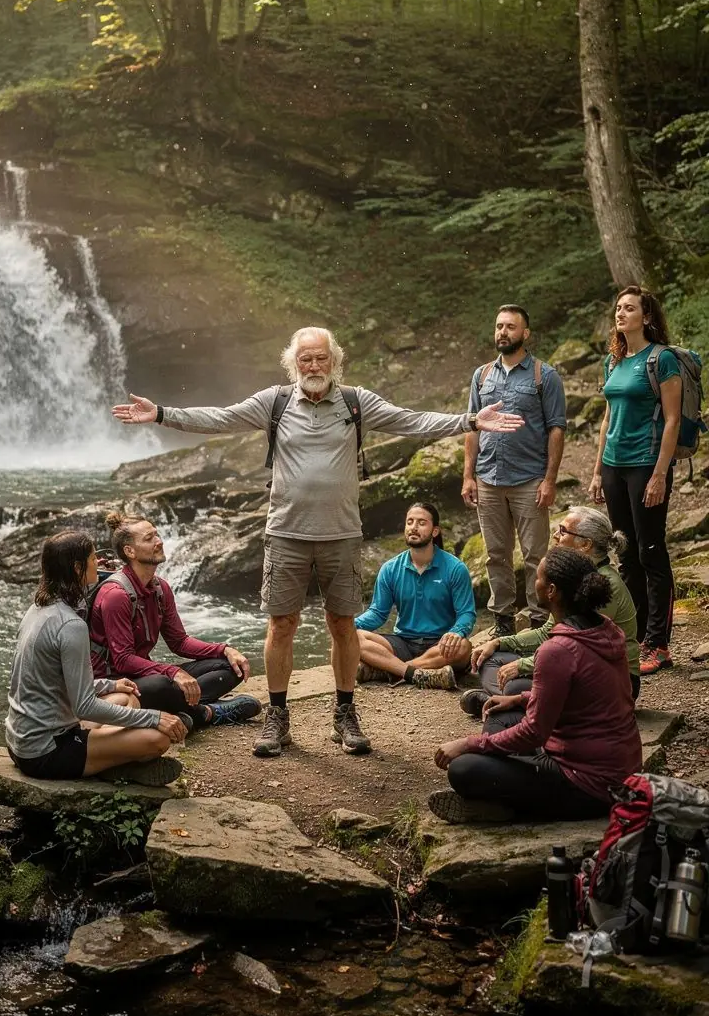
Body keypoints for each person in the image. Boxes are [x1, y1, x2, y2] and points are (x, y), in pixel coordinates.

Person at [112, 325, 523, 760]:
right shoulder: (274, 402)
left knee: (343, 625)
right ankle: (277, 715)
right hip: (286, 533)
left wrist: (471, 420)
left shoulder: (355, 402)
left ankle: (344, 713)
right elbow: (219, 418)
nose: (313, 365)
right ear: (293, 363)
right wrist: (160, 413)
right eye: (305, 358)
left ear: (334, 361)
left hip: (341, 535)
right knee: (281, 626)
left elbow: (410, 420)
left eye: (320, 358)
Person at [430, 549, 642, 824]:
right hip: (617, 771)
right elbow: (586, 696)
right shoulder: (606, 629)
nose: (534, 583)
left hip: (590, 787)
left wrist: (470, 743)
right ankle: (506, 794)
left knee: (463, 768)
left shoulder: (558, 650)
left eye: (538, 578)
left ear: (552, 590)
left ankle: (502, 808)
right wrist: (520, 698)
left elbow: (534, 733)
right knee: (499, 711)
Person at [6, 530, 187, 785]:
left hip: (21, 740)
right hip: (45, 751)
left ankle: (103, 758)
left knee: (125, 697)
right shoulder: (70, 625)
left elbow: (55, 682)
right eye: (94, 558)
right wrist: (154, 717)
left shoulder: (38, 609)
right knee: (157, 739)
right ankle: (108, 766)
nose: (100, 563)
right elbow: (85, 707)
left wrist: (110, 684)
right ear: (78, 567)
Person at [88, 513, 262, 731]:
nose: (159, 541)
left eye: (157, 535)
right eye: (149, 538)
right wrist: (172, 672)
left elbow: (179, 642)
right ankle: (206, 713)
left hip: (142, 676)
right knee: (162, 683)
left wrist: (224, 649)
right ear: (129, 551)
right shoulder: (116, 595)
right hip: (114, 685)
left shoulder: (160, 588)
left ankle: (181, 710)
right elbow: (122, 660)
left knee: (230, 666)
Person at [464, 505, 641, 712]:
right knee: (492, 660)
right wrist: (499, 642)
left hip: (609, 680)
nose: (556, 536)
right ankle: (515, 702)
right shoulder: (571, 577)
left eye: (563, 531)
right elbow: (545, 633)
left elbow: (578, 650)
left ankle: (513, 702)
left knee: (517, 680)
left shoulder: (604, 586)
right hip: (567, 664)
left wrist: (521, 666)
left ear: (585, 544)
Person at [589, 286, 682, 676]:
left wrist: (660, 473)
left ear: (646, 317)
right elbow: (608, 419)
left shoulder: (662, 360)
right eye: (618, 308)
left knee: (651, 551)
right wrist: (596, 470)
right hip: (614, 465)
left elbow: (673, 419)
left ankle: (658, 644)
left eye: (629, 308)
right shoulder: (615, 360)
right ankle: (633, 634)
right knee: (625, 553)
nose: (620, 313)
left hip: (646, 465)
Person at [462, 305, 567, 636]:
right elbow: (472, 427)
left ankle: (539, 621)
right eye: (498, 326)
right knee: (495, 555)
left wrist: (549, 480)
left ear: (525, 334)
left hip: (528, 479)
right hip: (488, 478)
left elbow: (557, 429)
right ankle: (503, 622)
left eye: (510, 327)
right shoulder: (481, 376)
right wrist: (468, 475)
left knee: (537, 556)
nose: (502, 332)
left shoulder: (543, 376)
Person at [354, 502, 476, 691]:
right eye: (410, 522)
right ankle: (416, 673)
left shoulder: (455, 568)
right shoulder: (390, 568)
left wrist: (456, 632)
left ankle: (390, 670)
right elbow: (378, 613)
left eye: (421, 523)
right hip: (403, 642)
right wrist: (349, 625)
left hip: (439, 645)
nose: (413, 527)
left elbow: (466, 613)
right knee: (355, 638)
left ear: (435, 531)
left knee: (464, 647)